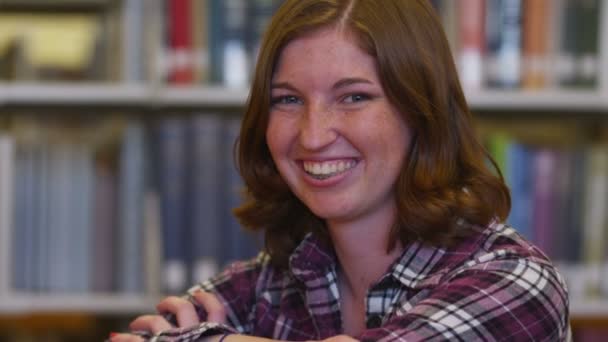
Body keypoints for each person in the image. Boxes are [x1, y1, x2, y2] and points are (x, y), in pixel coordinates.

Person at [112, 0, 569, 341]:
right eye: (287, 100)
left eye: (354, 97)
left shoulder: (515, 281)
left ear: (420, 111)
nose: (312, 136)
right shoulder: (269, 283)